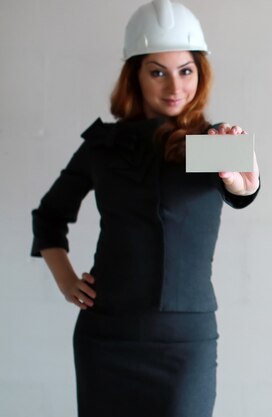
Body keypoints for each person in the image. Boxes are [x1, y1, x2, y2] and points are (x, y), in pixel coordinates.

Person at [30, 1, 259, 416]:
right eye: (158, 71)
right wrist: (66, 281)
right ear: (135, 75)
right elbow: (48, 216)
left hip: (184, 343)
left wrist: (245, 182)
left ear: (200, 73)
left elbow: (242, 189)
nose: (174, 86)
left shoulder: (210, 143)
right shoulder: (105, 145)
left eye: (185, 70)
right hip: (106, 338)